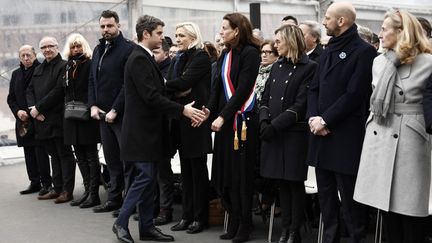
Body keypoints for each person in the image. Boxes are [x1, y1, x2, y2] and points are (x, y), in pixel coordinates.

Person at [112, 14, 205, 243]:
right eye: (159, 34)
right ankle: (121, 221)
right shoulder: (139, 59)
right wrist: (182, 109)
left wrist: (173, 94)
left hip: (149, 133)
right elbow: (150, 97)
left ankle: (146, 227)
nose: (163, 38)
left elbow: (155, 91)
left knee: (149, 179)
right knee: (144, 178)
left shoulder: (143, 58)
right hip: (142, 133)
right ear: (147, 34)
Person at [354, 9, 432, 243]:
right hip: (380, 133)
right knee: (385, 208)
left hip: (411, 136)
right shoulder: (379, 61)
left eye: (385, 28)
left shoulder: (427, 62)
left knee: (410, 209)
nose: (380, 33)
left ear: (401, 32)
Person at [306, 2, 377, 243]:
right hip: (320, 133)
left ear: (341, 21)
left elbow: (354, 94)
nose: (324, 22)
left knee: (350, 202)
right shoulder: (329, 49)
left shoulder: (363, 52)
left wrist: (326, 119)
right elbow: (314, 88)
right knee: (325, 199)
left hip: (344, 135)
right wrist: (314, 118)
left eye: (327, 18)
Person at [203, 12, 261, 243]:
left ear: (237, 30)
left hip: (242, 123)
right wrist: (209, 111)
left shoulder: (250, 54)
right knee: (224, 175)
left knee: (241, 177)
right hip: (225, 124)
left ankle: (245, 225)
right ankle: (233, 219)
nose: (221, 31)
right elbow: (216, 89)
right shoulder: (224, 55)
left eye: (225, 27)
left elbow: (244, 90)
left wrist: (223, 117)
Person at [260, 24, 317, 243]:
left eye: (278, 41)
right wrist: (264, 121)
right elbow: (265, 99)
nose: (275, 45)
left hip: (293, 134)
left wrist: (274, 125)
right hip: (274, 133)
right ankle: (284, 229)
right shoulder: (276, 67)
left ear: (290, 41)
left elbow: (301, 104)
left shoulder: (309, 67)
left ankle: (294, 231)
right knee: (281, 183)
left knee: (294, 183)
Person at [166, 22, 212, 234]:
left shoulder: (201, 57)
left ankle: (199, 218)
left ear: (193, 36)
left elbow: (184, 81)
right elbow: (180, 84)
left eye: (181, 35)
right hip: (183, 120)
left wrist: (167, 85)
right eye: (176, 35)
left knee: (198, 173)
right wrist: (177, 89)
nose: (177, 39)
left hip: (197, 119)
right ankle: (187, 215)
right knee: (186, 172)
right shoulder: (181, 58)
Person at [88, 10, 135, 214]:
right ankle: (114, 199)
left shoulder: (128, 49)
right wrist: (92, 105)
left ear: (119, 26)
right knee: (111, 159)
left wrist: (115, 109)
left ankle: (130, 203)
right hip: (101, 115)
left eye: (109, 26)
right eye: (103, 26)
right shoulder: (98, 49)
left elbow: (128, 84)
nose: (105, 29)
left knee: (127, 161)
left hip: (121, 115)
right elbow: (92, 80)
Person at [27, 36, 76, 204]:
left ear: (57, 47)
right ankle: (57, 188)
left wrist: (39, 108)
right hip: (41, 119)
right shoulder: (39, 69)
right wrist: (33, 109)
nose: (47, 49)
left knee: (64, 155)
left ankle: (67, 191)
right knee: (53, 155)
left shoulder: (64, 66)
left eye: (50, 46)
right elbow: (30, 90)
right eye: (44, 47)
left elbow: (58, 92)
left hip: (58, 118)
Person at [57, 33, 101, 208]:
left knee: (91, 156)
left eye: (79, 46)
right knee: (80, 156)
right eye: (73, 46)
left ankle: (94, 194)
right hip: (71, 115)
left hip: (86, 114)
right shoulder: (68, 66)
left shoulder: (89, 64)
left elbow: (93, 87)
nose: (76, 49)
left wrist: (91, 106)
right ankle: (87, 191)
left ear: (84, 46)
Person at [7, 45, 51, 195]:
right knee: (28, 152)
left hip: (38, 117)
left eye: (29, 55)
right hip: (22, 120)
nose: (26, 59)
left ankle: (46, 183)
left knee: (41, 152)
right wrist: (17, 112)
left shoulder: (42, 70)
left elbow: (45, 94)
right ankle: (34, 182)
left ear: (35, 55)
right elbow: (11, 98)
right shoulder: (16, 74)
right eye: (23, 56)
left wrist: (30, 111)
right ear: (19, 58)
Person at [152, 37, 176, 226]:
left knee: (163, 172)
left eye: (157, 52)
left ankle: (165, 210)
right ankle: (153, 208)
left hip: (166, 127)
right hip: (154, 126)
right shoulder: (151, 68)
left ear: (167, 53)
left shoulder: (171, 71)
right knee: (152, 171)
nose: (153, 55)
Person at [255, 40, 278, 104]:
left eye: (269, 52)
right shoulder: (257, 70)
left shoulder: (278, 71)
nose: (264, 55)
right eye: (262, 52)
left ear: (277, 55)